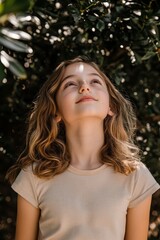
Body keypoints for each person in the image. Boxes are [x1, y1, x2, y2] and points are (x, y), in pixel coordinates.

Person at [6, 56, 160, 240]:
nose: (85, 87)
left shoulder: (136, 176)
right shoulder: (33, 176)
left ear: (110, 106)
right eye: (70, 84)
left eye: (95, 81)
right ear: (56, 111)